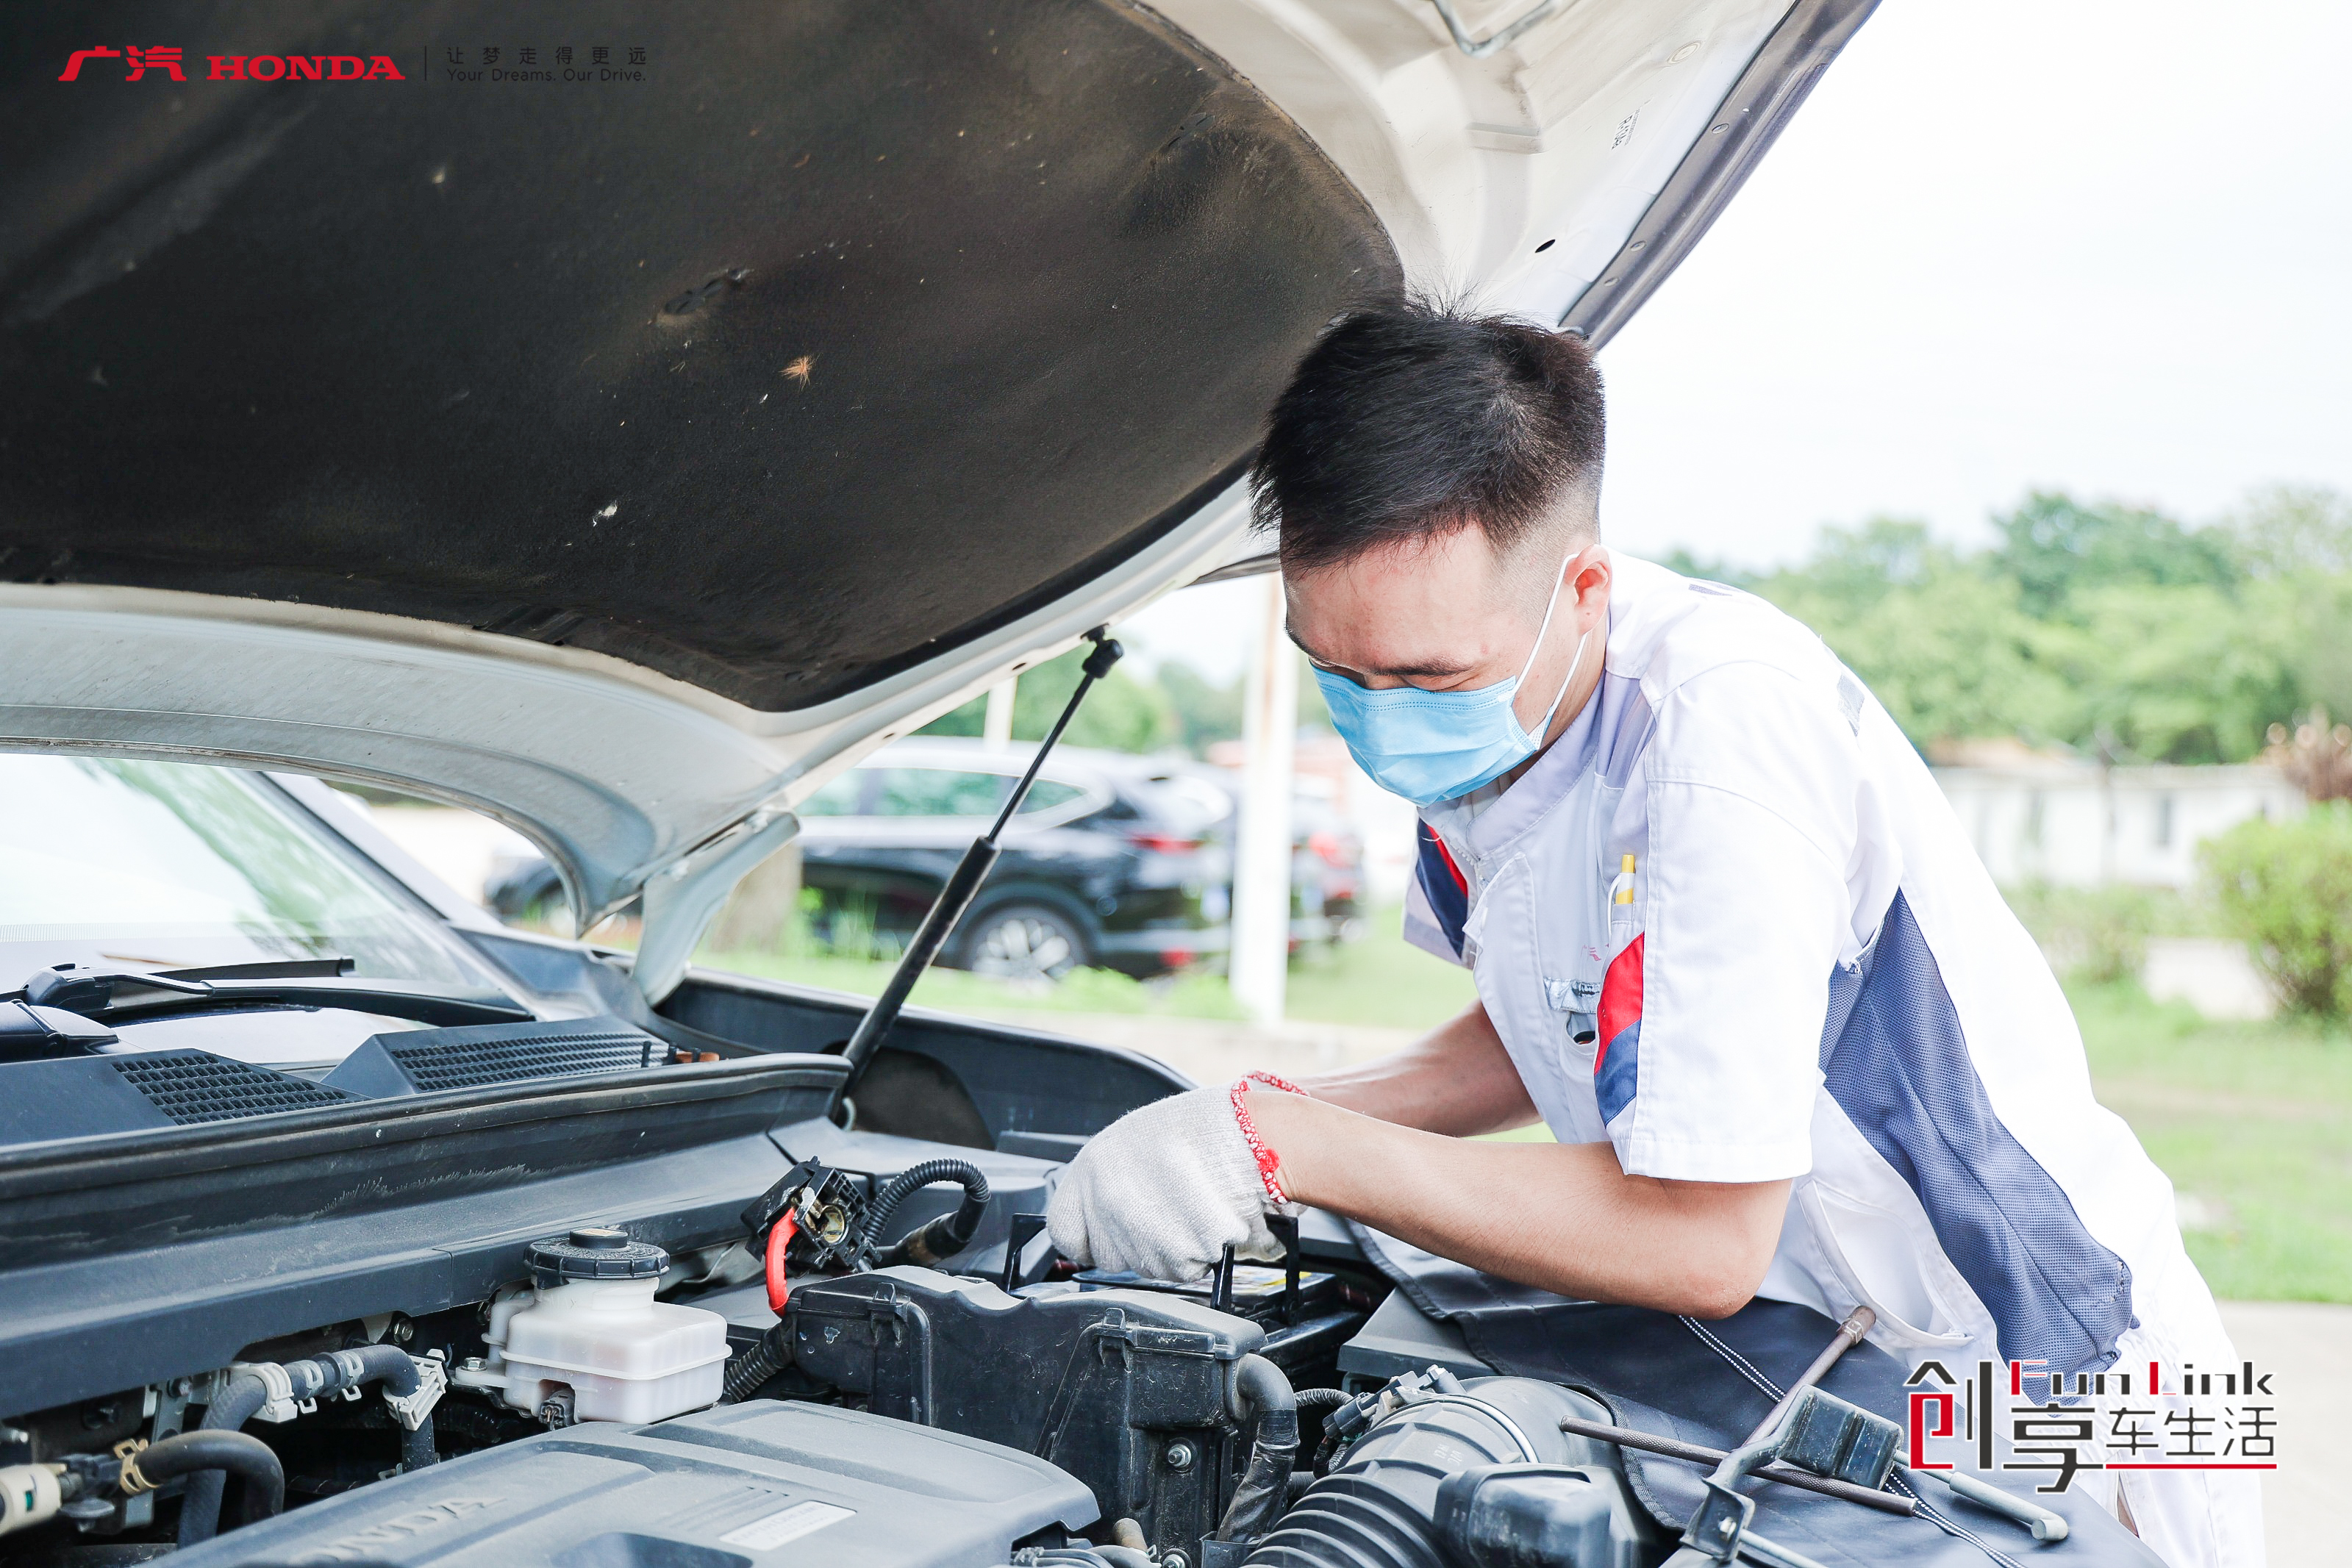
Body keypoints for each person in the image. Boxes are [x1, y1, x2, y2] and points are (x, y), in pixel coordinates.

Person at [1046, 302, 2258, 1566]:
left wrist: (1294, 1147)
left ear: (1583, 587)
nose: (1378, 717)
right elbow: (1549, 1029)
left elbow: (1701, 1232)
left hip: (2049, 1383)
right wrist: (1245, 1121)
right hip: (1820, 1355)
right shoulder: (1508, 723)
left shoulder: (1721, 745)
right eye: (1337, 672)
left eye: (1424, 678)